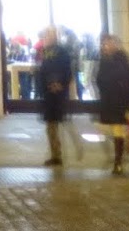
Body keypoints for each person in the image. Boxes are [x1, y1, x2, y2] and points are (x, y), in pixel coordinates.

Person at [95, 33, 129, 176]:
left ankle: (118, 162)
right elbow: (98, 79)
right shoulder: (103, 60)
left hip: (122, 101)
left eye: (109, 44)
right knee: (114, 131)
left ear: (116, 45)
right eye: (104, 44)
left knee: (118, 130)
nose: (106, 46)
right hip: (109, 101)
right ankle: (123, 151)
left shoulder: (123, 59)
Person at [35, 27, 74, 166]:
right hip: (48, 94)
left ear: (55, 37)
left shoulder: (62, 52)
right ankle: (56, 154)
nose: (45, 37)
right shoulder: (45, 52)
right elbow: (42, 71)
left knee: (56, 125)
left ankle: (58, 154)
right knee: (51, 126)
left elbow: (67, 71)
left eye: (48, 35)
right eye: (45, 35)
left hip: (57, 94)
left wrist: (60, 84)